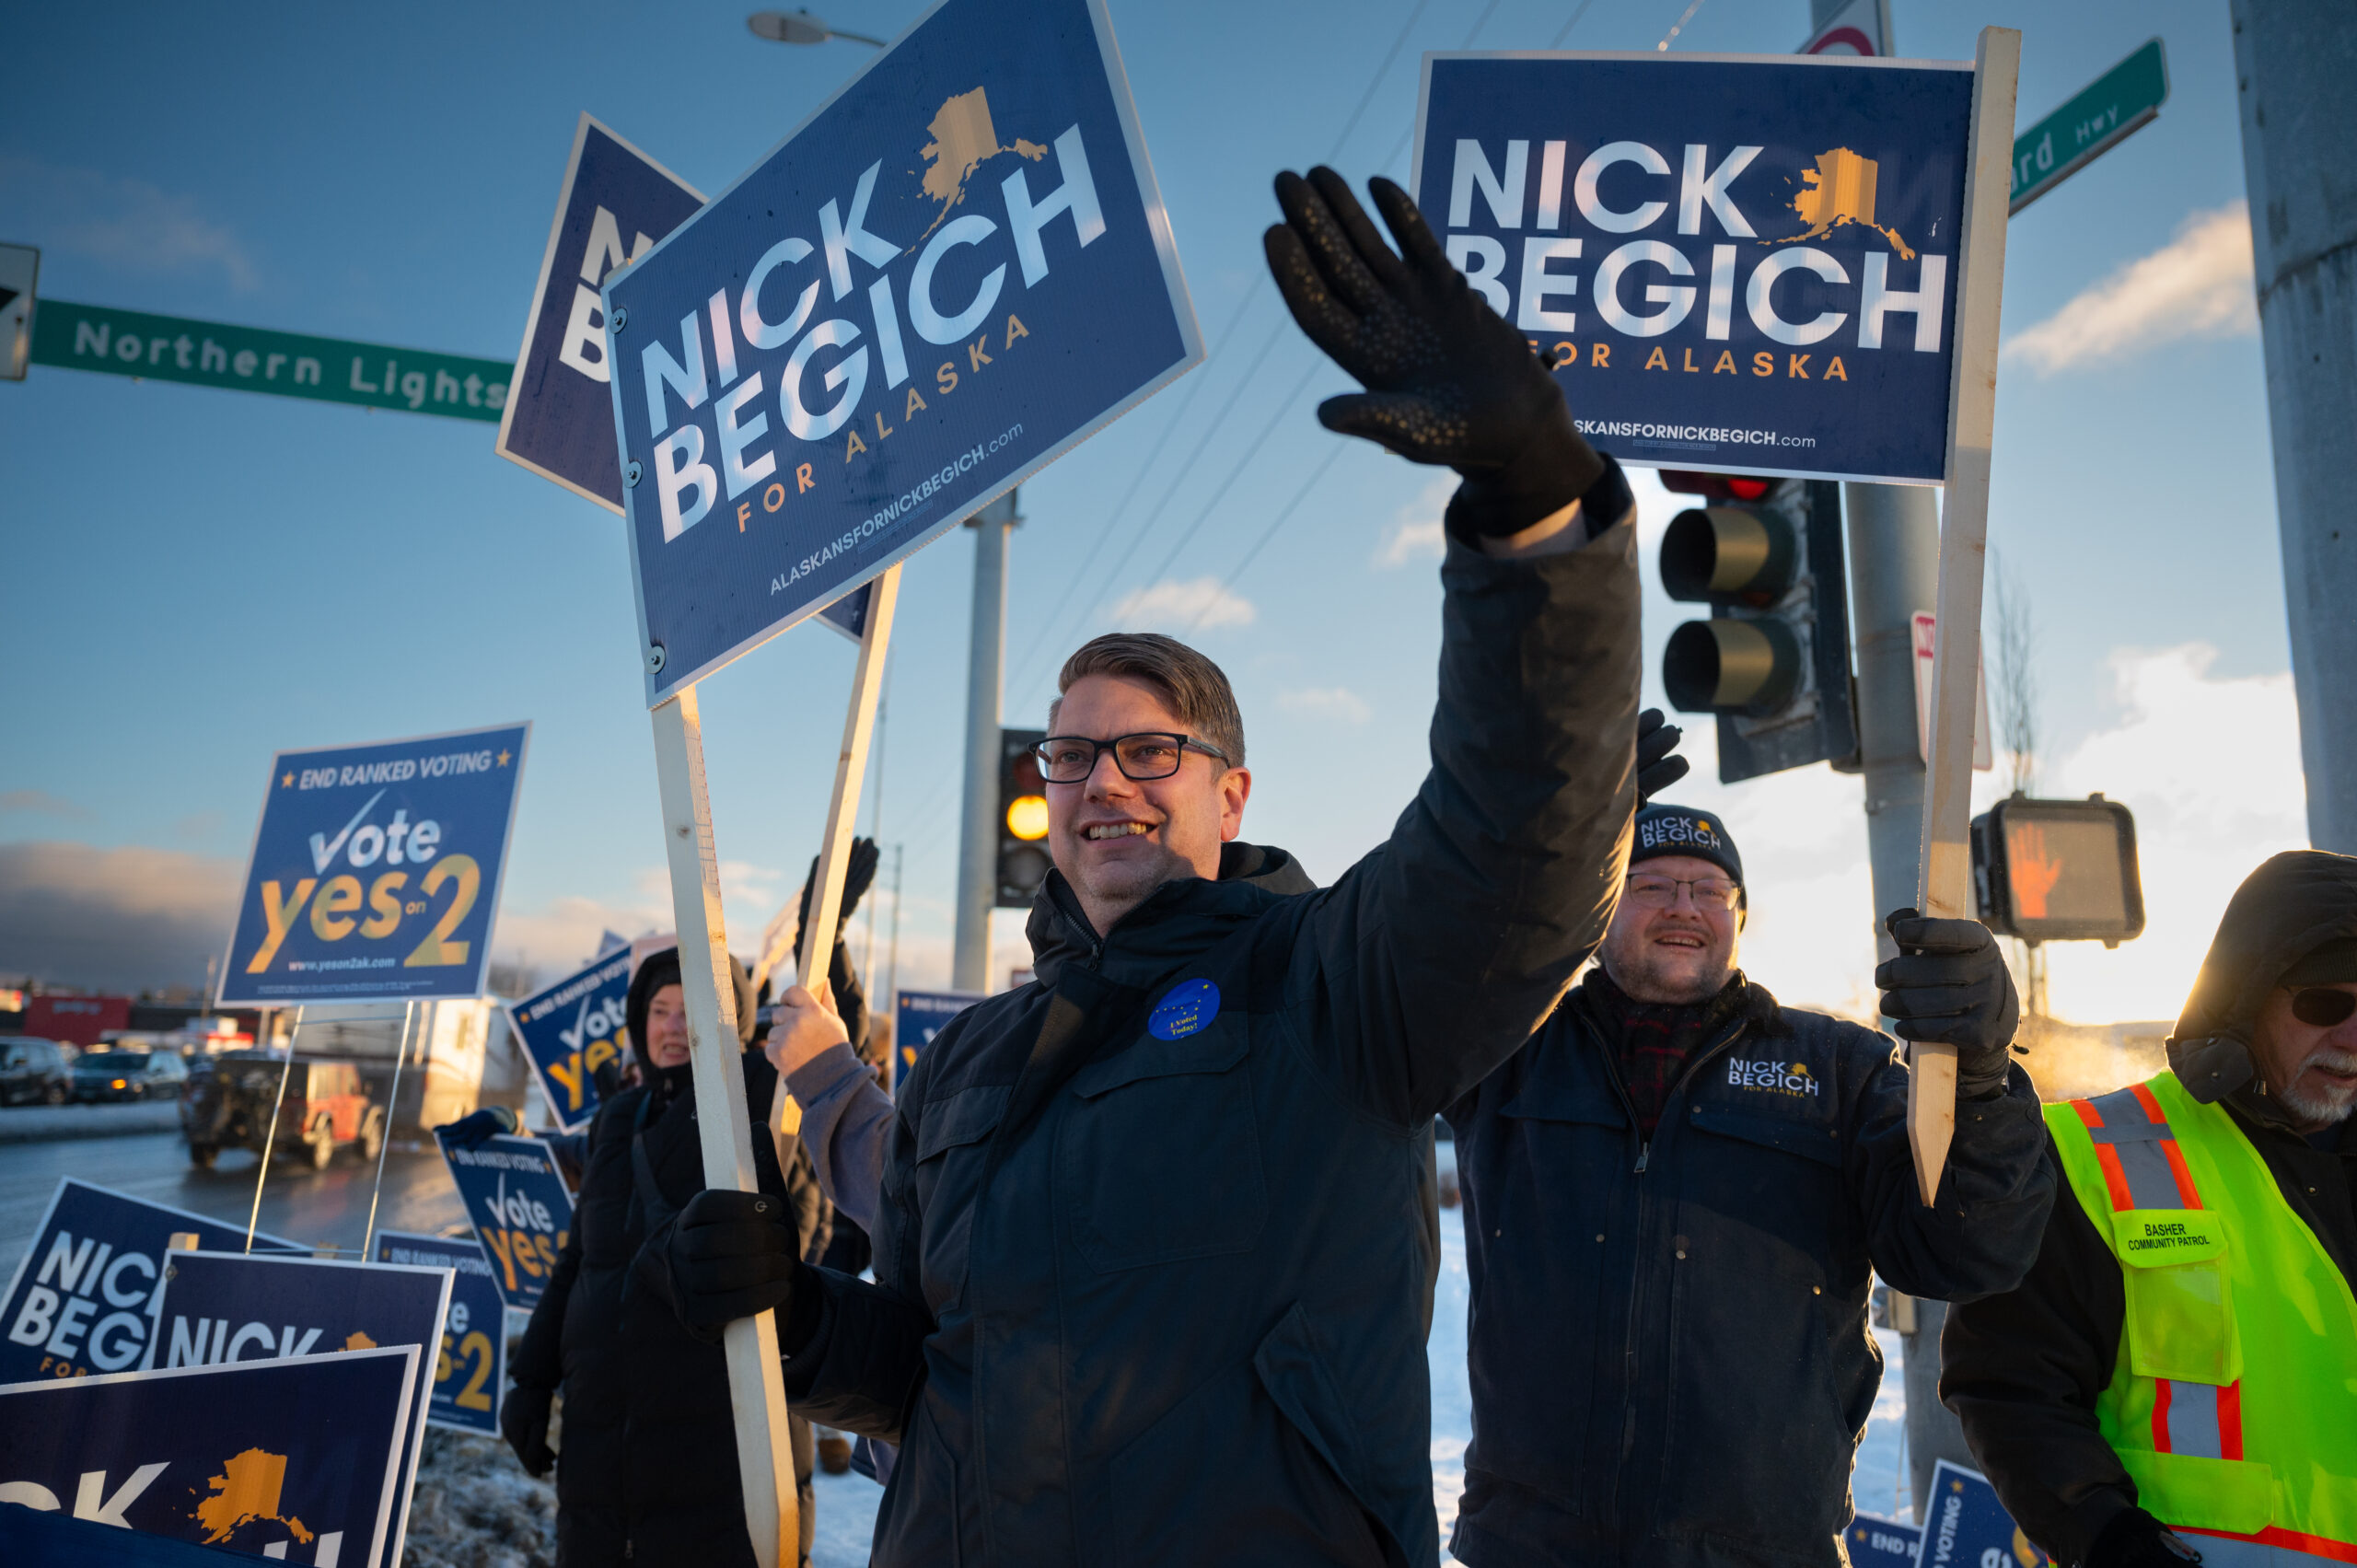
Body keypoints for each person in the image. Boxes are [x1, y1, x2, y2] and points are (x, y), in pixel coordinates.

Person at [652, 166, 1645, 1566]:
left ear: (1230, 790)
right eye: (1068, 757)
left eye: (1147, 752)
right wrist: (802, 1321)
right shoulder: (979, 1060)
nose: (1101, 781)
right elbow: (941, 1365)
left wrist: (1535, 507)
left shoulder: (1333, 989)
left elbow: (1523, 836)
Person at [1442, 796, 2054, 1567]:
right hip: (1529, 1547)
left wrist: (1983, 1085)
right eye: (1651, 885)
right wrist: (1539, 828)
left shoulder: (1839, 1068)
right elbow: (1420, 959)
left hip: (1763, 1551)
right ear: (1592, 907)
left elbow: (1969, 1252)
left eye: (1709, 890)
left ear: (1740, 914)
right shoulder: (1508, 1053)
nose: (1684, 908)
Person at [1945, 850, 2357, 1568]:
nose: (2353, 1037)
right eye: (2326, 1004)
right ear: (2250, 993)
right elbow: (2009, 1384)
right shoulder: (2089, 1155)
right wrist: (2107, 1538)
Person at [497, 943, 827, 1568]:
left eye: (691, 1010)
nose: (673, 1026)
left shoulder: (759, 1102)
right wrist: (532, 1380)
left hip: (717, 1447)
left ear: (729, 1023)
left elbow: (803, 1232)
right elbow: (579, 1260)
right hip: (600, 1445)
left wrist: (827, 947)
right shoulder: (617, 1117)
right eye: (659, 1009)